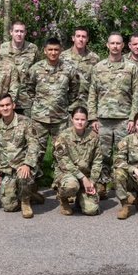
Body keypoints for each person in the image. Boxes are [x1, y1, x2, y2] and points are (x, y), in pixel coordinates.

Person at [87, 32, 138, 197]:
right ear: (107, 45)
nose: (115, 46)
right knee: (102, 154)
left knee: (123, 154)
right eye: (112, 43)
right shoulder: (98, 68)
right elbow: (92, 94)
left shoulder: (132, 68)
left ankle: (124, 185)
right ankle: (102, 184)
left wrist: (133, 118)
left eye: (118, 43)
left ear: (123, 45)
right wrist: (92, 117)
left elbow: (137, 95)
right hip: (103, 119)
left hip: (124, 119)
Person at [24, 37, 81, 191]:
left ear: (60, 51)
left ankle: (62, 183)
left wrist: (66, 107)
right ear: (45, 51)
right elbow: (29, 89)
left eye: (56, 50)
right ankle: (32, 184)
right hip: (39, 119)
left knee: (62, 152)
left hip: (60, 118)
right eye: (50, 50)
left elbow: (75, 91)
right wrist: (37, 106)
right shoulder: (35, 69)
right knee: (36, 152)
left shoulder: (69, 69)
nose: (53, 53)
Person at [0, 93, 43, 218]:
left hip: (22, 165)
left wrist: (27, 164)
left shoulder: (26, 122)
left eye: (8, 104)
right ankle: (30, 193)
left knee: (23, 176)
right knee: (9, 207)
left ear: (13, 105)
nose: (5, 108)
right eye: (2, 106)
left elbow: (34, 145)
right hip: (7, 169)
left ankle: (25, 201)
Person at [52, 106, 102, 216]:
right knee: (71, 186)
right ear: (72, 119)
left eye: (83, 119)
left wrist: (92, 182)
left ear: (87, 120)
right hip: (67, 174)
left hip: (87, 176)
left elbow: (97, 161)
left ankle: (81, 198)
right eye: (77, 119)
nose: (80, 122)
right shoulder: (63, 136)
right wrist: (83, 178)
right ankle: (63, 197)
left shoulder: (94, 136)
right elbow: (65, 163)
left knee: (91, 210)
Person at [0, 20, 41, 113]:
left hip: (26, 99)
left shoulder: (33, 48)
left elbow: (38, 70)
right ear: (11, 32)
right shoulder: (2, 49)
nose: (19, 34)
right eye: (16, 31)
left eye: (21, 31)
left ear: (25, 33)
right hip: (6, 99)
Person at [61, 26, 99, 99]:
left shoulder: (94, 58)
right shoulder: (62, 57)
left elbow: (96, 83)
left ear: (87, 39)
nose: (81, 39)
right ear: (73, 38)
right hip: (68, 103)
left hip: (86, 103)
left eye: (83, 37)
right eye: (78, 36)